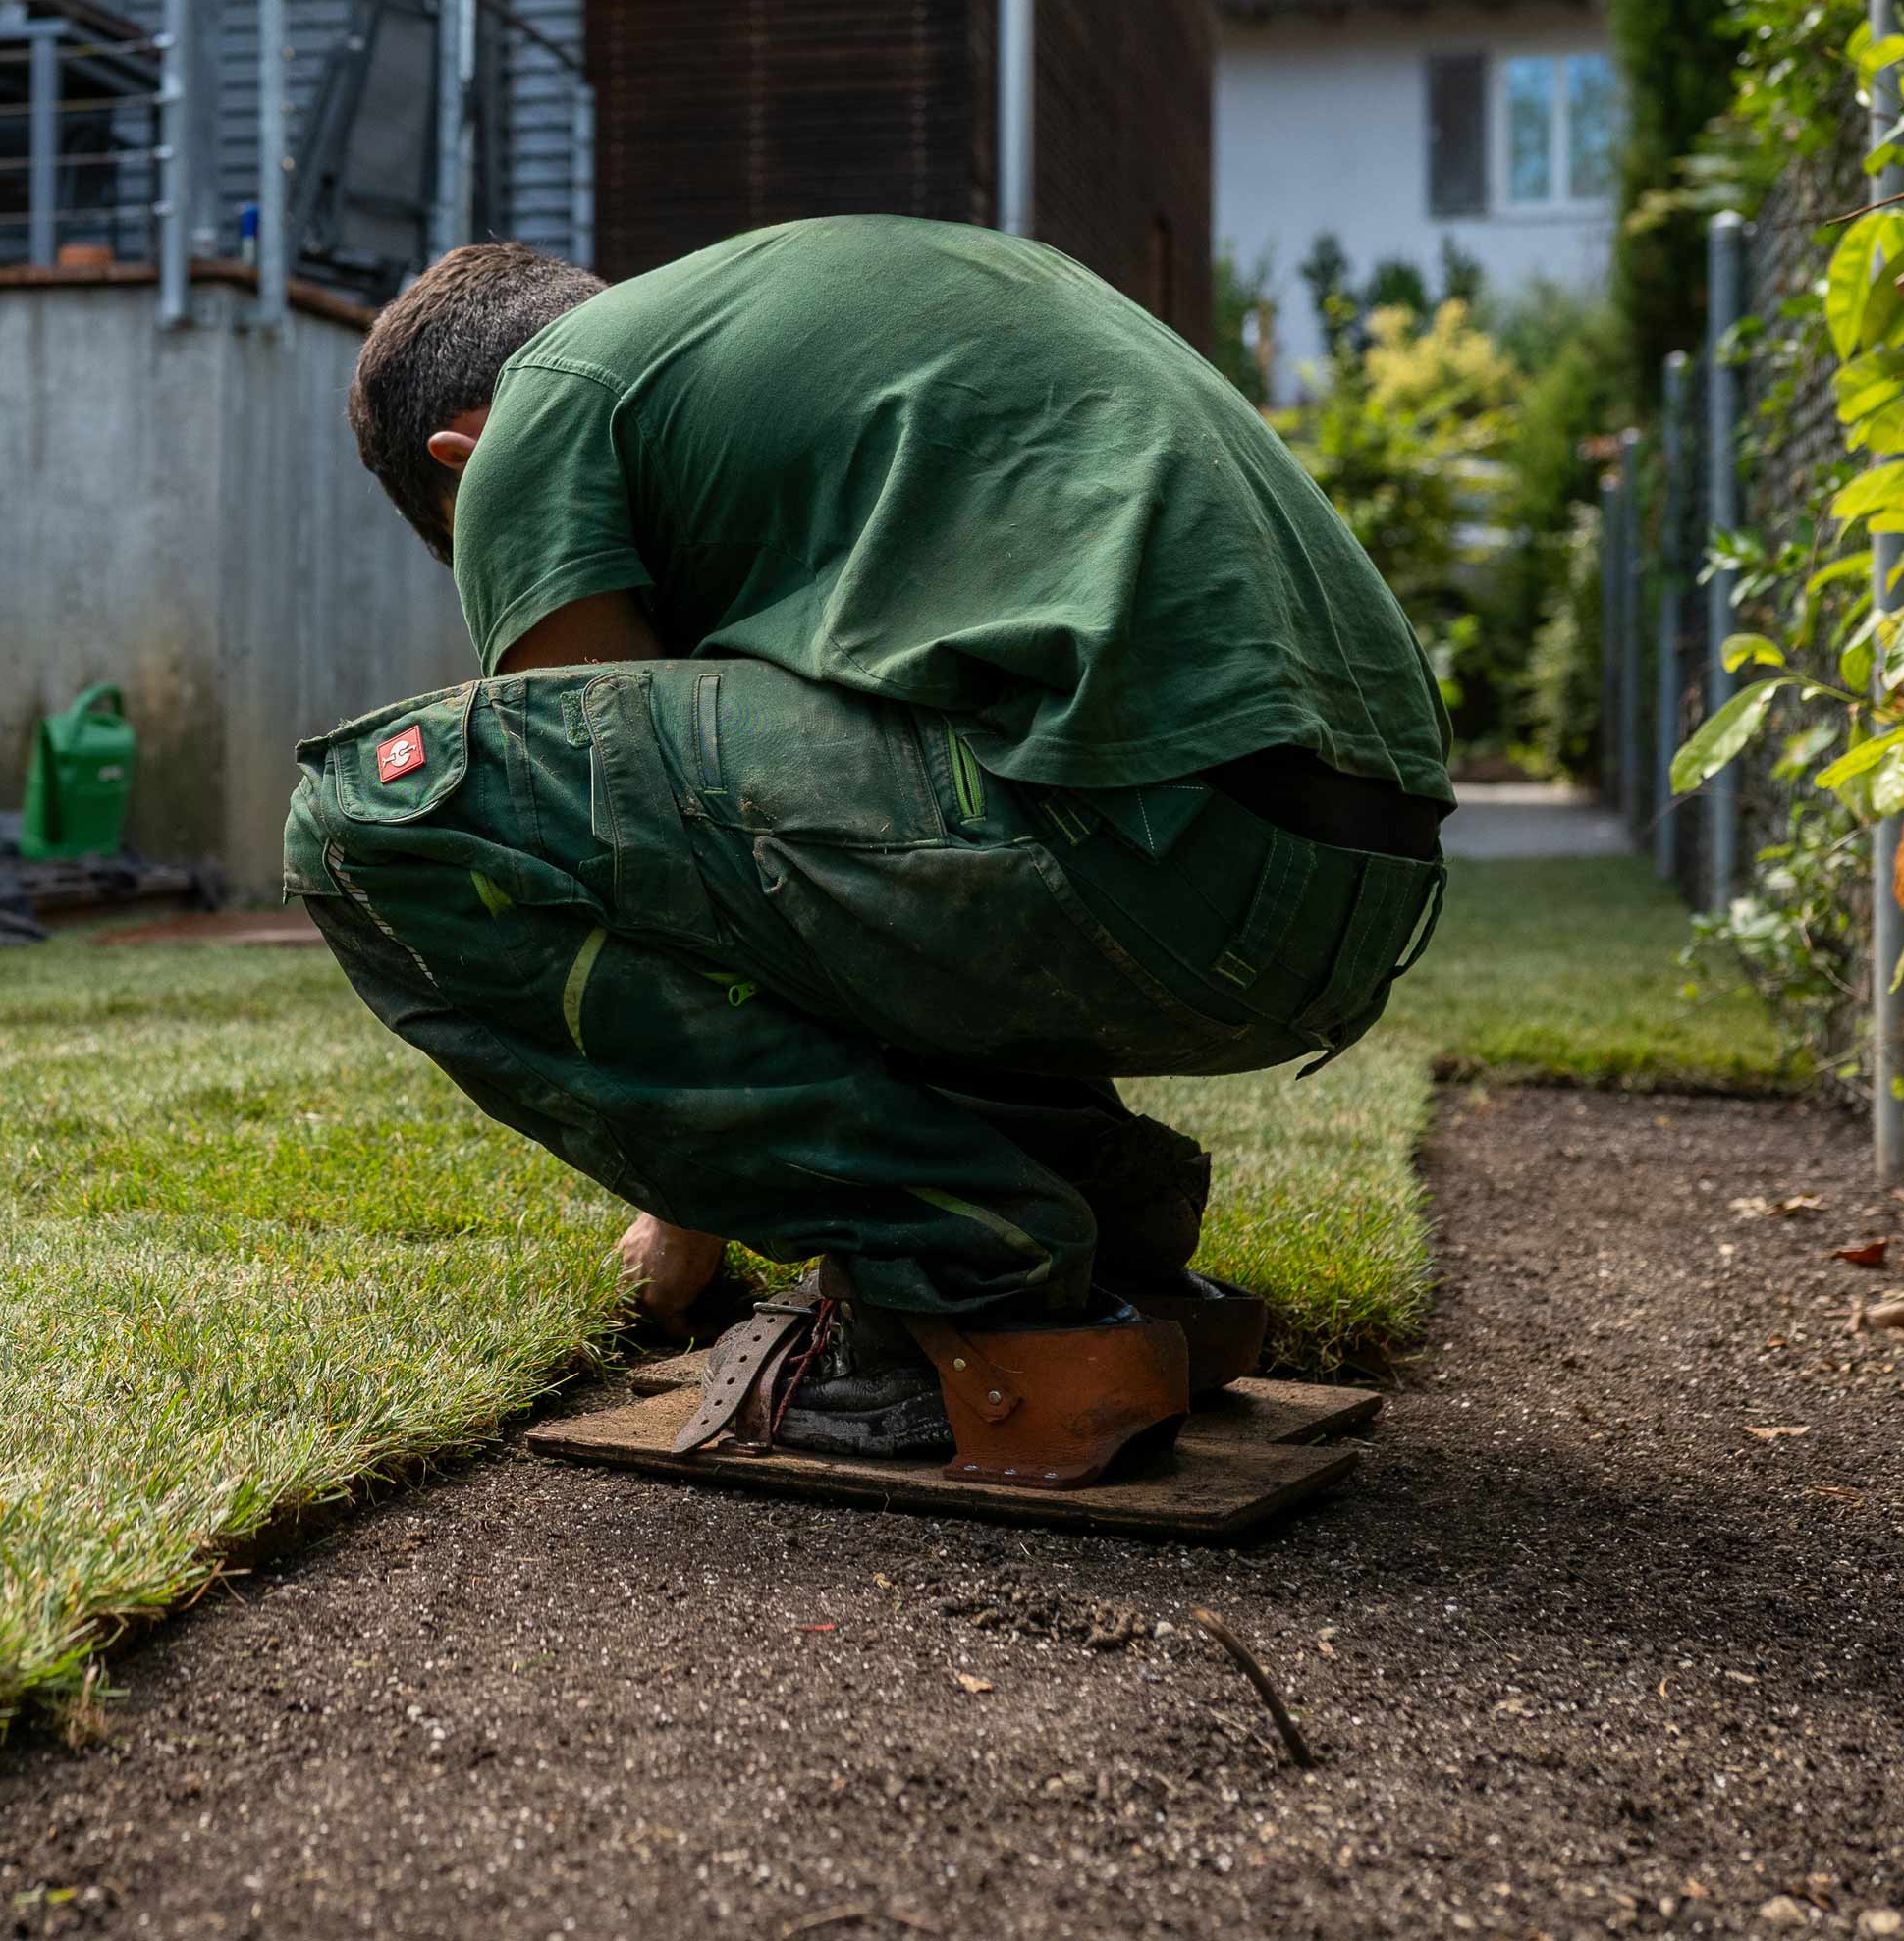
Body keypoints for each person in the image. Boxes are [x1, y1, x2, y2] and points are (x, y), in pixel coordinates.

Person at [282, 222, 1449, 1488]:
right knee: (862, 804)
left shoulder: (541, 410)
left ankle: (984, 1278)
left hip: (1136, 853)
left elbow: (627, 842)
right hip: (1344, 888)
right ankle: (1114, 1242)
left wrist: (686, 1215)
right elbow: (759, 839)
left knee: (374, 815)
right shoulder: (811, 321)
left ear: (463, 452)